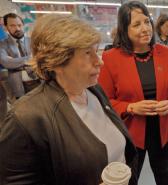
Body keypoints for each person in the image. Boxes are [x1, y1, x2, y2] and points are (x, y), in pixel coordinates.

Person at [0, 14, 138, 185]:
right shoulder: (26, 117)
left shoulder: (94, 90)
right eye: (88, 53)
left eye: (96, 51)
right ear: (57, 61)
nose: (99, 61)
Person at [98, 1, 168, 185]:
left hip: (163, 129)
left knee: (163, 172)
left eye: (147, 21)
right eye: (137, 24)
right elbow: (104, 101)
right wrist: (130, 107)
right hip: (130, 133)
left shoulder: (167, 53)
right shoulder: (110, 58)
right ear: (124, 28)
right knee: (131, 176)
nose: (145, 28)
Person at [0, 13, 39, 101]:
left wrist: (15, 61)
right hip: (17, 85)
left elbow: (41, 58)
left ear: (23, 25)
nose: (17, 28)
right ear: (6, 27)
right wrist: (31, 58)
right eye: (12, 26)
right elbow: (6, 62)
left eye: (19, 25)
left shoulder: (33, 41)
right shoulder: (1, 44)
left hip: (37, 81)